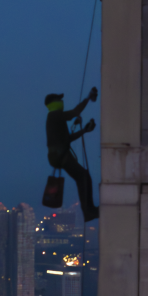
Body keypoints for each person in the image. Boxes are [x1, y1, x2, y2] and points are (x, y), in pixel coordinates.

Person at [45, 88, 99, 221]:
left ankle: (89, 210)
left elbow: (68, 138)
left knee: (83, 177)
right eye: (59, 99)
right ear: (54, 103)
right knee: (83, 177)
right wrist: (88, 98)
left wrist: (84, 130)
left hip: (59, 156)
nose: (62, 101)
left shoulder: (54, 118)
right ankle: (88, 211)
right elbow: (75, 112)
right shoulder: (55, 115)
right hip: (61, 156)